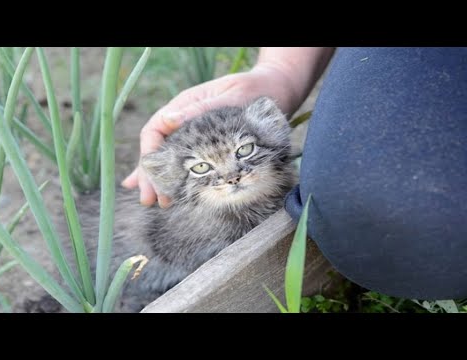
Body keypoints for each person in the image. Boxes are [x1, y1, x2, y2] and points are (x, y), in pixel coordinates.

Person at [122, 47, 467, 300]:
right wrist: (280, 72)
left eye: (244, 151)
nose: (231, 176)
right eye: (202, 168)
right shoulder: (190, 226)